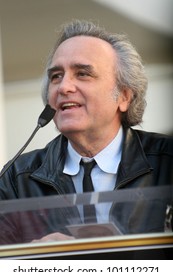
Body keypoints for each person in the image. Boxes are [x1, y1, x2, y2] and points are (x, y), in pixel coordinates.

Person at [0, 19, 173, 245]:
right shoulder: (15, 178)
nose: (63, 87)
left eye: (82, 74)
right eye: (56, 76)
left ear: (124, 96)